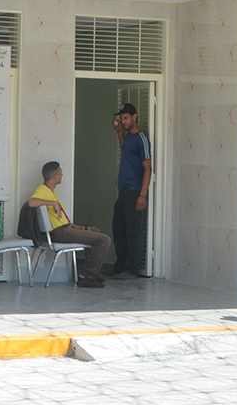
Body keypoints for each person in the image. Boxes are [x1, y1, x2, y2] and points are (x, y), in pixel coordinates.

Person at [28, 161, 111, 288]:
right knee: (104, 240)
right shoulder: (43, 190)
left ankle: (92, 273)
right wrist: (53, 204)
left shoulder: (51, 192)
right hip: (60, 233)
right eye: (60, 172)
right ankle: (87, 276)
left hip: (65, 229)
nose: (62, 174)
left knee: (95, 231)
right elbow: (32, 203)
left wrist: (74, 226)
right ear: (54, 176)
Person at [110, 103, 152, 280]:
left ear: (135, 117)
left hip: (134, 192)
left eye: (126, 118)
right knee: (118, 229)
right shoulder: (129, 138)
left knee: (133, 232)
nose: (123, 121)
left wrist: (142, 194)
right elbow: (125, 149)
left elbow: (148, 168)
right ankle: (120, 266)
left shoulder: (142, 139)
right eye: (122, 118)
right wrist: (119, 131)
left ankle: (132, 269)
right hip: (123, 192)